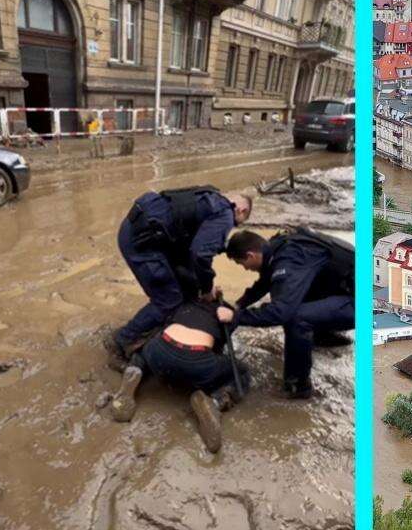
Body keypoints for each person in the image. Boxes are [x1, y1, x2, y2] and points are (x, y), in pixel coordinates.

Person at [104, 186, 254, 366]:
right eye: (238, 223)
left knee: (182, 285)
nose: (232, 226)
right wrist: (206, 289)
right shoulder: (225, 214)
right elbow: (201, 254)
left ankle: (161, 326)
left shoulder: (208, 197)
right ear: (242, 210)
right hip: (142, 244)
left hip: (139, 230)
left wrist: (201, 284)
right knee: (168, 300)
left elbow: (190, 250)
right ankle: (122, 341)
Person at [224, 227, 355, 398]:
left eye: (242, 264)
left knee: (296, 317)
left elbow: (280, 313)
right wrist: (239, 305)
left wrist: (237, 317)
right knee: (292, 295)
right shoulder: (278, 248)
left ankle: (297, 387)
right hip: (346, 286)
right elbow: (266, 282)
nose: (245, 269)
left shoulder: (289, 259)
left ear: (251, 255)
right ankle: (324, 337)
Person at [110, 298, 240, 452]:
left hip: (161, 351)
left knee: (145, 348)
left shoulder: (181, 300)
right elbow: (219, 347)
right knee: (241, 372)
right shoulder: (226, 314)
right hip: (197, 363)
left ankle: (134, 370)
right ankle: (216, 401)